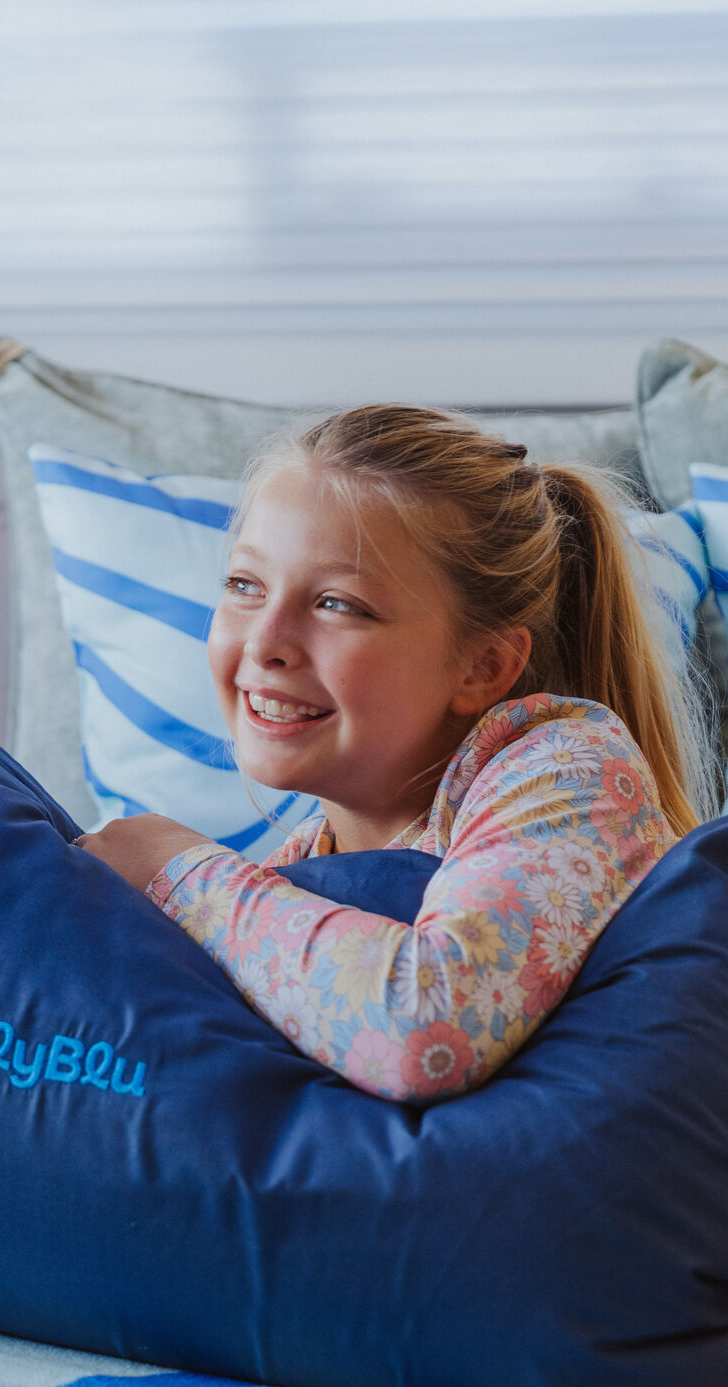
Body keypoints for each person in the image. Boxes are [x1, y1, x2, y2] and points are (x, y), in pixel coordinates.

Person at [80, 404, 713, 1103]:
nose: (264, 642)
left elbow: (424, 1031)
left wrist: (179, 869)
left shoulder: (567, 769)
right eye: (244, 586)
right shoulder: (300, 876)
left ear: (483, 668)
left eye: (338, 605)